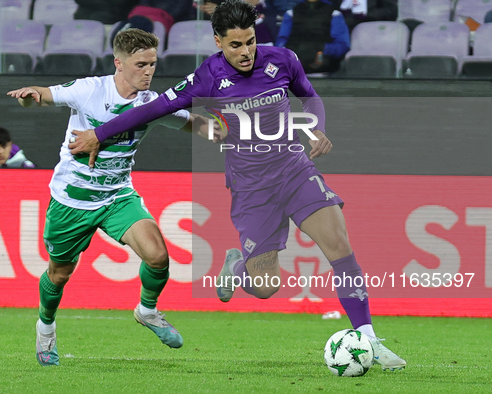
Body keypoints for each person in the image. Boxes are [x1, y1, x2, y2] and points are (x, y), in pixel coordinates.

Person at [68, 0, 406, 371]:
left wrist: (317, 126)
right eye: (235, 45)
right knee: (265, 288)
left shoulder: (282, 59)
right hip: (251, 188)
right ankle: (239, 265)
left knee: (339, 244)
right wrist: (99, 134)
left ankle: (370, 339)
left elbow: (309, 96)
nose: (245, 52)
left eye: (250, 42)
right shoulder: (207, 77)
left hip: (293, 169)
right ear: (217, 42)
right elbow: (153, 109)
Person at [7, 28, 216, 366]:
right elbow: (47, 94)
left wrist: (229, 130)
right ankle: (45, 328)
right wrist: (31, 93)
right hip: (72, 200)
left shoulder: (153, 104)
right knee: (59, 274)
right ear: (119, 63)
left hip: (118, 196)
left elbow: (192, 123)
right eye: (140, 64)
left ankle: (147, 310)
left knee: (158, 257)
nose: (148, 71)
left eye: (152, 64)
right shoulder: (90, 90)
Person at [275, 0, 350, 74]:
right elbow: (281, 42)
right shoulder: (291, 13)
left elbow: (342, 45)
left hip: (324, 66)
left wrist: (320, 48)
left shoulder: (335, 14)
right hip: (294, 65)